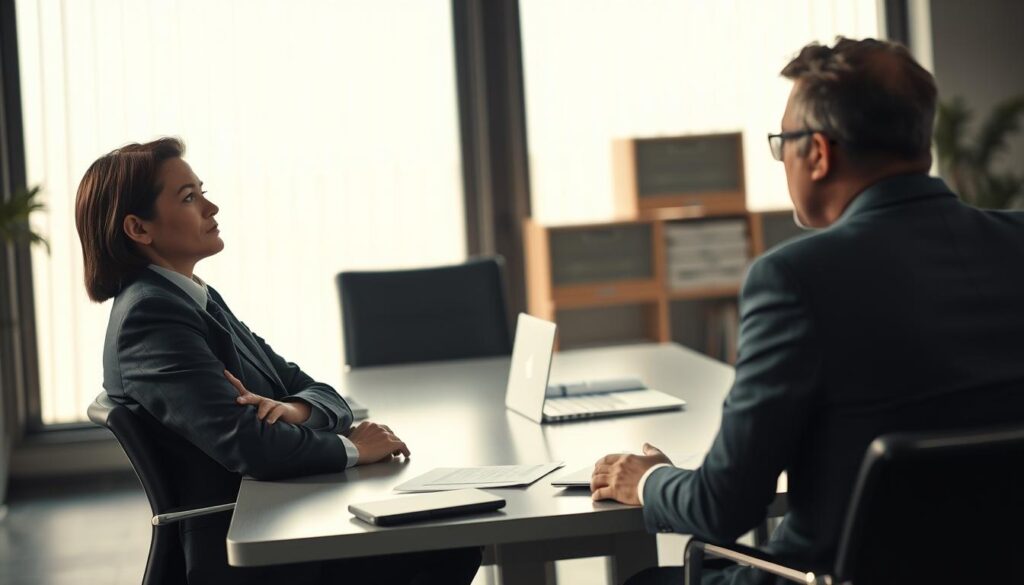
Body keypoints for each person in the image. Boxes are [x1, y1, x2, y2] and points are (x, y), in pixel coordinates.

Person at [591, 37, 1024, 584]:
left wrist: (650, 480)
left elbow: (725, 505)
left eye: (784, 143)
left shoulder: (795, 279)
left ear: (817, 153)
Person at [75, 138, 482, 585]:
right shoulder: (152, 317)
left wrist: (294, 409)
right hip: (242, 548)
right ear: (138, 228)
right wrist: (354, 449)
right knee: (444, 542)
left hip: (273, 514)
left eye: (202, 191)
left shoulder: (194, 298)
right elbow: (252, 446)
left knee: (444, 533)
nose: (211, 207)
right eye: (189, 198)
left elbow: (315, 388)